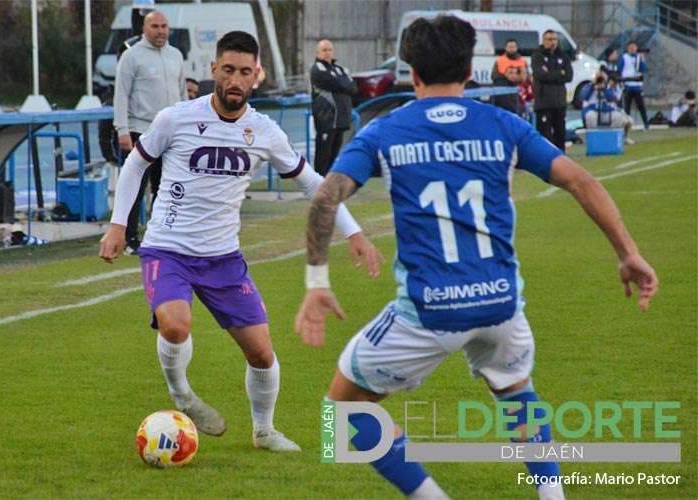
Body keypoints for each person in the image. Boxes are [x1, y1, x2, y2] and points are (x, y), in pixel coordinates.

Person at [295, 15, 658, 500]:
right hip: (501, 305)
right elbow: (581, 181)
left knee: (342, 414)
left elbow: (325, 198)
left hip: (430, 311)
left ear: (412, 73)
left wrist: (317, 282)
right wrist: (628, 254)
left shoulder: (385, 131)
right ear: (470, 71)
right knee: (515, 392)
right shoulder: (504, 124)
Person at [99, 31, 381, 452]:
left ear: (257, 76)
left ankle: (264, 431)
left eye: (245, 72)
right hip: (168, 247)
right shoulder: (176, 118)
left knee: (262, 355)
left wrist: (353, 230)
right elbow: (136, 165)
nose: (235, 80)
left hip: (223, 258)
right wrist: (118, 225)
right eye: (228, 70)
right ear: (213, 69)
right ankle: (182, 395)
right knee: (175, 324)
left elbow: (313, 184)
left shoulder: (264, 131)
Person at [114, 10, 187, 253]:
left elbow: (183, 94)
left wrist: (187, 126)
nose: (160, 31)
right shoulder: (132, 56)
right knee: (135, 186)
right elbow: (121, 95)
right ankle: (129, 238)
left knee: (165, 188)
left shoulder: (176, 55)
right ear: (145, 28)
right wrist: (122, 130)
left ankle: (158, 236)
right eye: (155, 26)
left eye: (164, 26)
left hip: (171, 134)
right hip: (141, 130)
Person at [310, 39, 358, 176]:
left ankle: (329, 182)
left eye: (330, 50)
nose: (327, 53)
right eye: (324, 50)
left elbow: (353, 88)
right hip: (326, 119)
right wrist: (344, 84)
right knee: (323, 156)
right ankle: (318, 183)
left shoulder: (339, 69)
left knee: (334, 155)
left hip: (341, 119)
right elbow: (337, 83)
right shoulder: (317, 69)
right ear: (317, 53)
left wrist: (344, 84)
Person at [531, 30, 573, 151]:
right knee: (545, 136)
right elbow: (541, 75)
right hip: (543, 102)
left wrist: (550, 73)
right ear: (543, 41)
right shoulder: (537, 56)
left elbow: (569, 76)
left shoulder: (563, 56)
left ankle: (561, 157)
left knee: (560, 134)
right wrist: (559, 73)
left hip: (559, 102)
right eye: (549, 39)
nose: (553, 42)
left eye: (555, 39)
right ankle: (545, 158)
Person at [580, 74, 634, 143]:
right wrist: (592, 86)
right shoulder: (588, 86)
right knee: (590, 116)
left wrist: (604, 89)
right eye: (598, 81)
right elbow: (583, 96)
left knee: (618, 117)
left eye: (601, 81)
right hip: (592, 111)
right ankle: (594, 140)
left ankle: (611, 140)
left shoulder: (607, 88)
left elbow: (612, 98)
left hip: (605, 111)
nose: (599, 83)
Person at [618, 41, 649, 129]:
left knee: (641, 107)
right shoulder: (624, 57)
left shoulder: (639, 57)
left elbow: (643, 69)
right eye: (630, 47)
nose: (632, 49)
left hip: (637, 86)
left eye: (634, 47)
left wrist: (642, 60)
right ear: (628, 49)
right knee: (627, 107)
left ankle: (646, 124)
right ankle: (626, 125)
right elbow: (619, 70)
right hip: (627, 85)